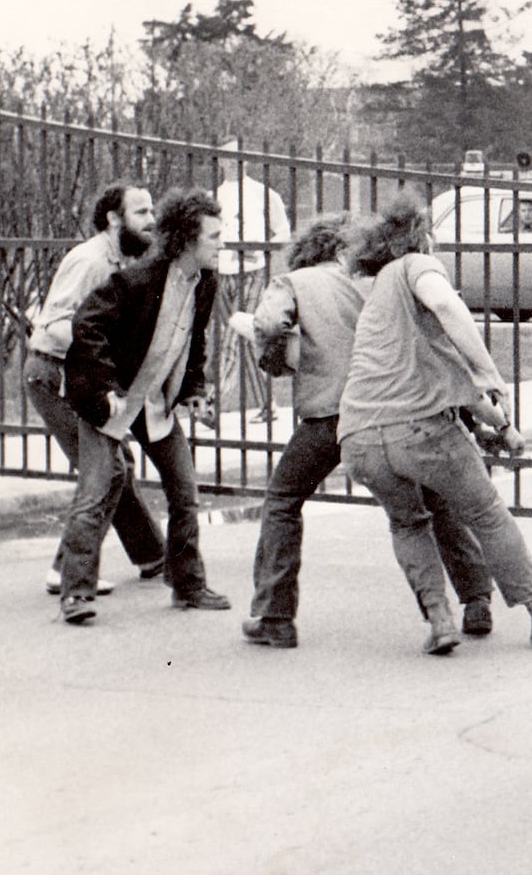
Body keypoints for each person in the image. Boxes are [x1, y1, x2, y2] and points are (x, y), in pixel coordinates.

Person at [240, 214, 496, 649]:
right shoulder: (375, 282)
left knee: (284, 500)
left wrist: (277, 360)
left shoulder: (294, 282)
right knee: (435, 498)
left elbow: (266, 324)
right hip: (393, 410)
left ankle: (275, 615)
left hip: (328, 417)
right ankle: (474, 600)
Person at [336, 198, 532, 655]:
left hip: (360, 436)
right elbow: (448, 307)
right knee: (486, 514)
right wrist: (490, 373)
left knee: (407, 524)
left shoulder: (381, 294)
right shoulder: (417, 267)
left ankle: (441, 621)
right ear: (420, 236)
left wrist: (499, 424)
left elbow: (449, 378)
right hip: (420, 432)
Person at [57, 189, 232, 624]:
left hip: (155, 403)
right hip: (112, 402)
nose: (221, 244)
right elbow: (87, 323)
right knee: (95, 494)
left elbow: (194, 341)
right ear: (188, 239)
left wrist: (193, 387)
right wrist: (104, 386)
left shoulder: (205, 281)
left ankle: (188, 585)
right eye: (213, 236)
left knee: (185, 493)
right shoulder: (140, 278)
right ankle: (75, 593)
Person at [26, 182, 167, 596]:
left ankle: (152, 554)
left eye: (151, 211)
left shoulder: (120, 262)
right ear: (113, 218)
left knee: (115, 462)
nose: (151, 220)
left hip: (78, 377)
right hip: (54, 376)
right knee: (109, 466)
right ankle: (66, 569)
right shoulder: (89, 261)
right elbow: (52, 324)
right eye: (141, 212)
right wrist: (103, 359)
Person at [214, 142, 292, 420]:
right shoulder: (214, 195)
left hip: (252, 270)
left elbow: (283, 231)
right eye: (228, 155)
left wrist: (262, 246)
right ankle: (267, 403)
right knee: (240, 334)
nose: (236, 161)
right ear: (220, 160)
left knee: (237, 332)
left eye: (240, 155)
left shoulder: (263, 193)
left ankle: (213, 399)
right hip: (221, 271)